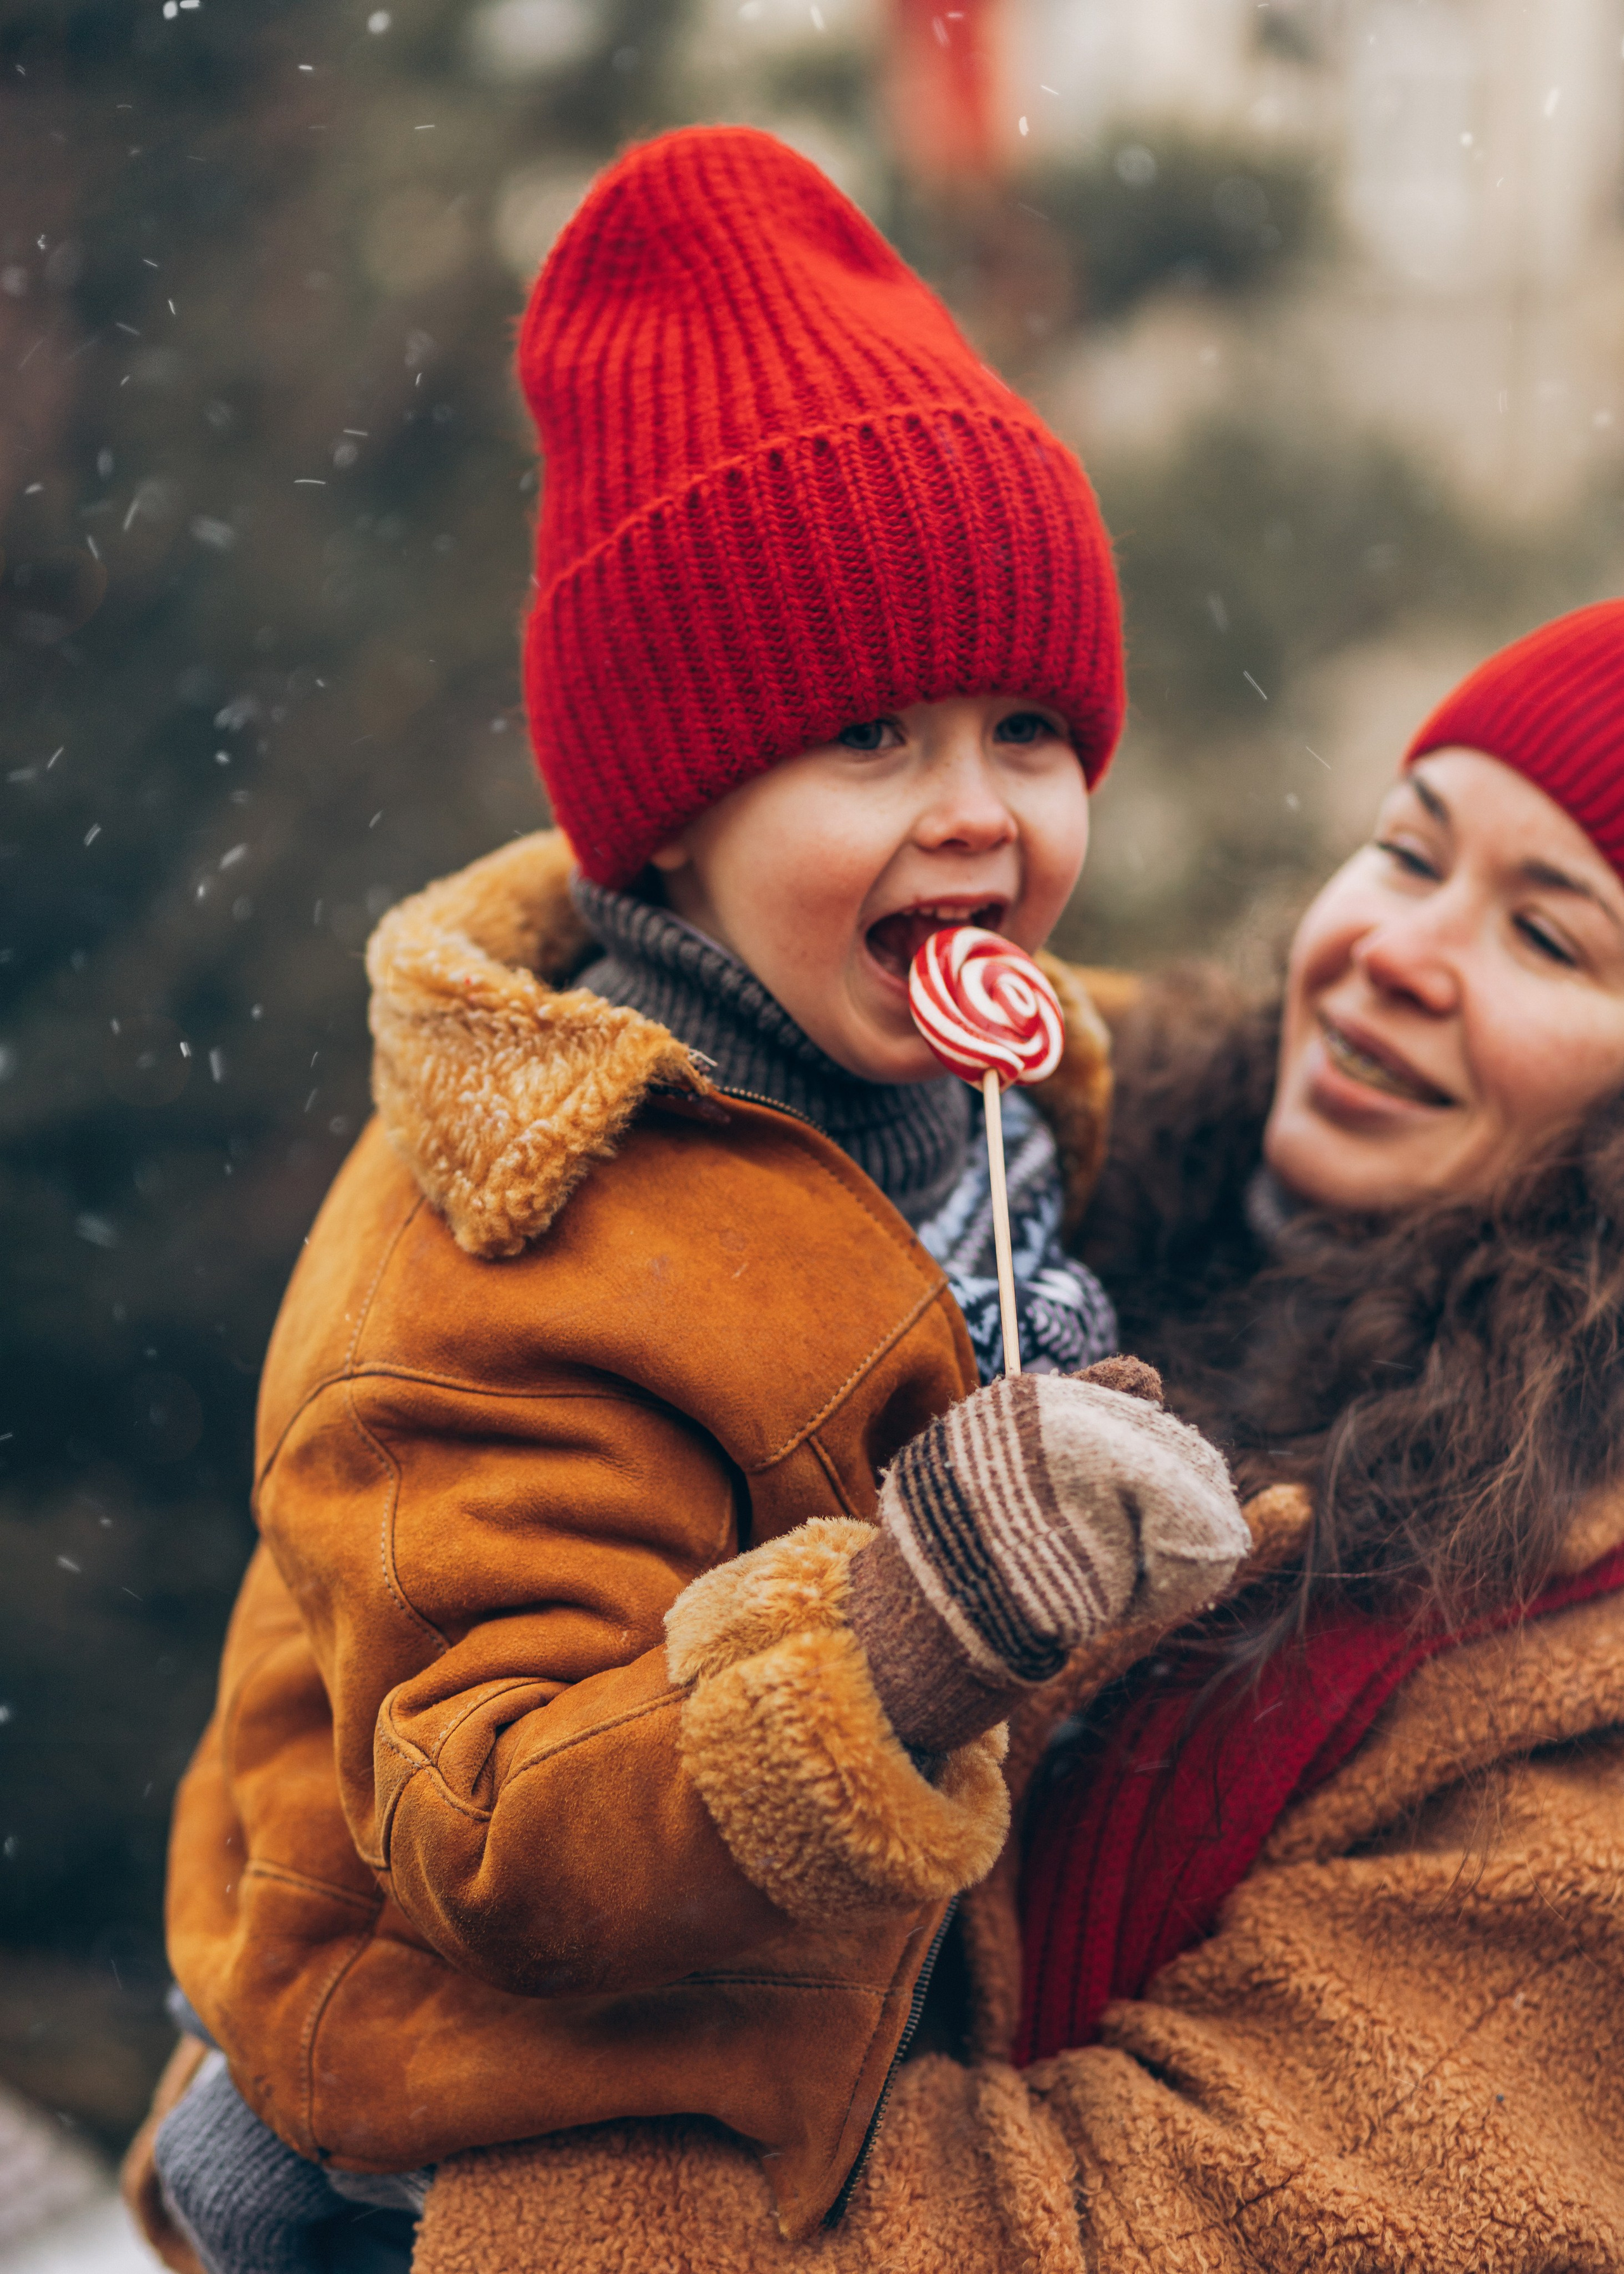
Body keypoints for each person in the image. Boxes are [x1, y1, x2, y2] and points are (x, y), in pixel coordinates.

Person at [121, 126, 1250, 2274]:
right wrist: (915, 1629)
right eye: (869, 738)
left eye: (1030, 729)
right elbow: (499, 1822)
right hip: (479, 2140)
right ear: (670, 810)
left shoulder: (964, 1080)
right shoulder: (514, 1239)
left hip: (814, 2064)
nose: (978, 816)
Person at [400, 600, 1624, 2274]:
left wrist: (462, 2172)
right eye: (1409, 853)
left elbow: (1167, 2222)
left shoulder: (1577, 1657)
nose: (1397, 949)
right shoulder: (1035, 1153)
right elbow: (445, 1611)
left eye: (1551, 940)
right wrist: (316, 1996)